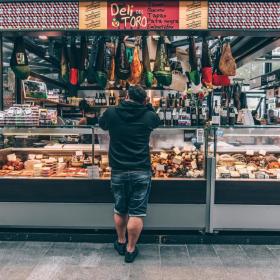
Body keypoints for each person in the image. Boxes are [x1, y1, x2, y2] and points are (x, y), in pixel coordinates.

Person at [99, 86, 160, 263]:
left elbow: (101, 124)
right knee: (137, 212)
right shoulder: (148, 115)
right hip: (141, 169)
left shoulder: (111, 112)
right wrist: (148, 106)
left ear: (126, 96)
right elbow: (157, 121)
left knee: (120, 208)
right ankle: (130, 249)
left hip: (118, 170)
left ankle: (121, 241)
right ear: (144, 100)